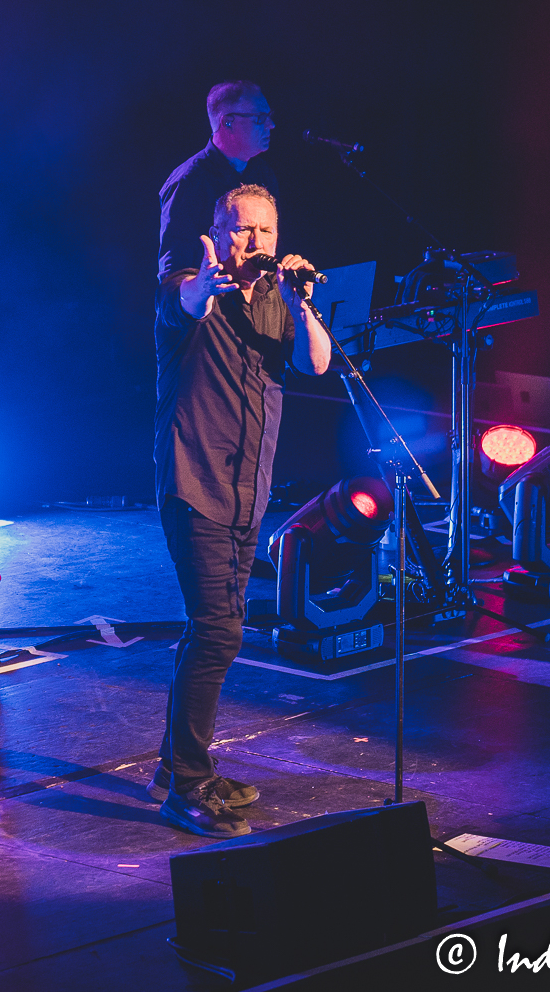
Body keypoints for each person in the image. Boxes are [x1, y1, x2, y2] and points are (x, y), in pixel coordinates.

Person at [149, 184, 330, 837]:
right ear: (219, 231)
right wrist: (207, 282)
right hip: (194, 485)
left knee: (210, 631)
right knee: (219, 631)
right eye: (242, 229)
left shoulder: (278, 304)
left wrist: (303, 304)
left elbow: (316, 363)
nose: (255, 242)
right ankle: (189, 787)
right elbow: (187, 303)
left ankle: (177, 768)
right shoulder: (187, 285)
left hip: (248, 491)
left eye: (266, 232)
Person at [157, 81, 279, 281]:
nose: (271, 125)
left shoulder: (263, 174)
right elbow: (173, 273)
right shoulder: (188, 182)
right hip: (209, 308)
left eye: (269, 116)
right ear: (228, 122)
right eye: (259, 118)